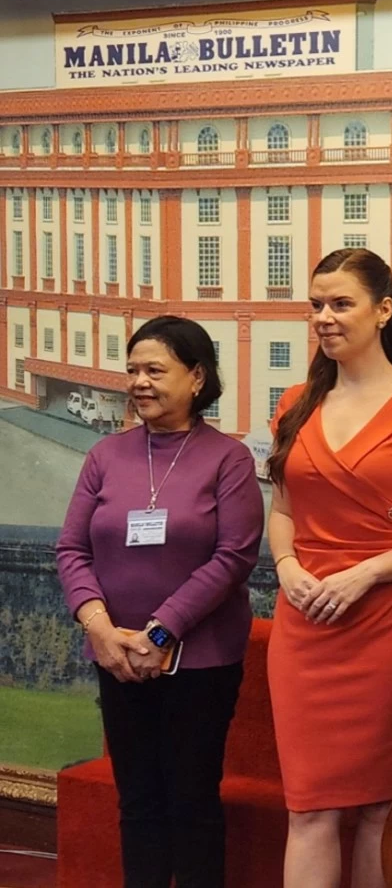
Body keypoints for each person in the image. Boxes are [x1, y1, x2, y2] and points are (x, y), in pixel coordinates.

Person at [265, 248, 392, 888]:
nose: (324, 316)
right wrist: (287, 565)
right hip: (302, 622)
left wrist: (367, 573)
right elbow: (282, 509)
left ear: (383, 310)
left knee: (382, 806)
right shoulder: (295, 402)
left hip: (387, 625)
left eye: (340, 303)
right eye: (316, 305)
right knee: (309, 807)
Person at [57, 315, 264, 888]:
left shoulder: (229, 458)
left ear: (196, 377)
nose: (140, 382)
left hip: (199, 664)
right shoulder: (105, 456)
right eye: (132, 370)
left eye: (155, 369)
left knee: (192, 803)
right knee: (139, 804)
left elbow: (233, 558)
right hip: (117, 659)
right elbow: (71, 550)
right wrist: (102, 631)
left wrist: (159, 632)